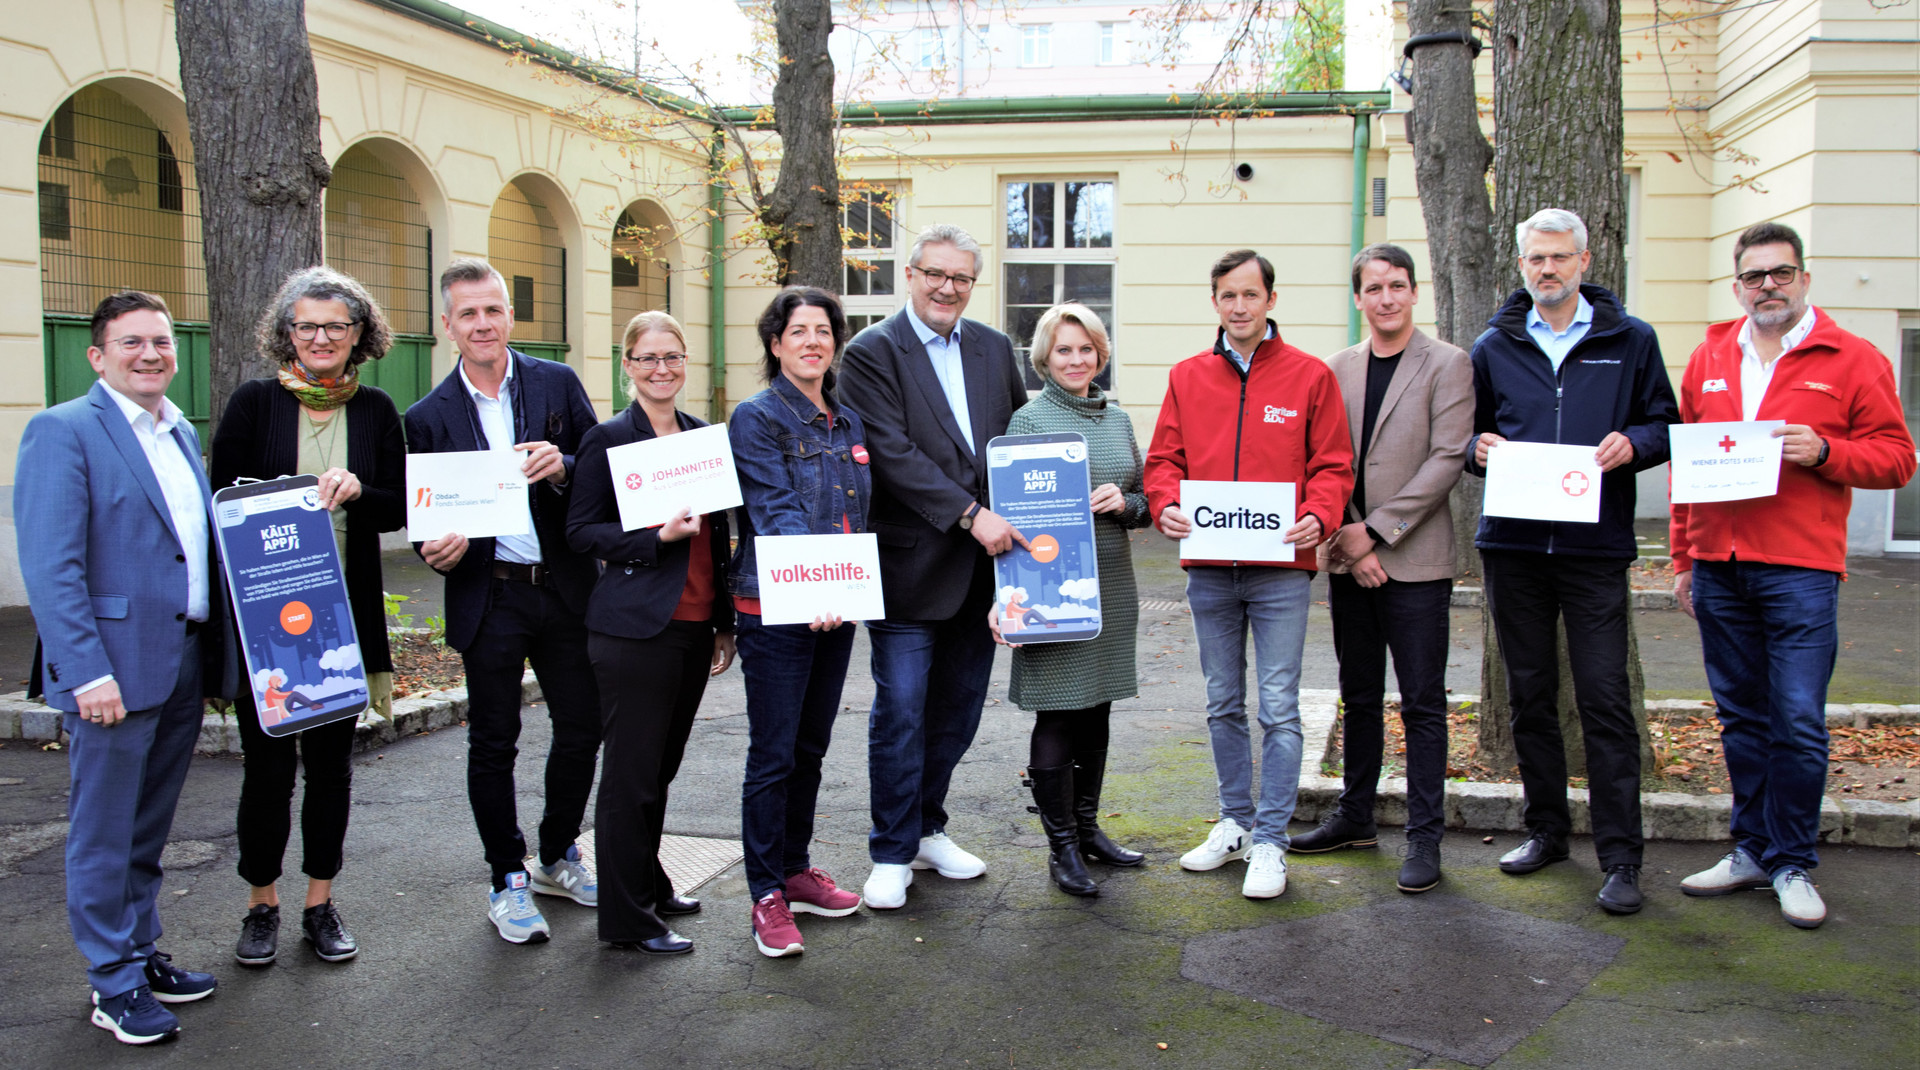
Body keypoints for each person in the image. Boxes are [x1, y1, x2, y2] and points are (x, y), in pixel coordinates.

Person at [1671, 222, 1915, 928]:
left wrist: (1828, 452)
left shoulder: (1853, 357)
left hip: (1800, 570)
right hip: (1720, 567)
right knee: (1741, 720)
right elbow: (1689, 465)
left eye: (1780, 273)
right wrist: (1684, 557)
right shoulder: (1711, 354)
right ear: (1737, 286)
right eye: (1754, 277)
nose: (1767, 287)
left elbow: (1898, 458)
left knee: (1799, 722)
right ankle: (1751, 850)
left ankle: (1792, 861)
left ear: (1804, 278)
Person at [16, 291, 233, 1044]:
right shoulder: (63, 430)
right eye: (131, 342)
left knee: (147, 828)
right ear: (97, 355)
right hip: (111, 670)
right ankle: (112, 982)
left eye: (161, 342)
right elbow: (52, 567)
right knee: (103, 833)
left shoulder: (178, 431)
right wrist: (85, 672)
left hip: (179, 659)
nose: (150, 354)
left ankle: (139, 953)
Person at [1467, 208, 1678, 915]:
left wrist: (1635, 444)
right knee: (1530, 696)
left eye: (1560, 257)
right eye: (1537, 258)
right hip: (1515, 549)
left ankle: (1621, 858)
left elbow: (1665, 424)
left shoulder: (1631, 339)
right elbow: (1467, 435)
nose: (1548, 269)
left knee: (1604, 700)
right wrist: (1476, 450)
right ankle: (1547, 832)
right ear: (1521, 265)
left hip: (1594, 550)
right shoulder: (1494, 345)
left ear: (1585, 261)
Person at [211, 266, 406, 967]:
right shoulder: (253, 403)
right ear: (286, 332)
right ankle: (260, 906)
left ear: (359, 334)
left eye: (336, 326)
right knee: (266, 771)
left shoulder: (376, 411)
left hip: (339, 624)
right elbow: (220, 498)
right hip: (265, 623)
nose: (321, 338)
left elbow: (399, 507)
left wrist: (359, 491)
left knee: (330, 771)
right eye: (307, 326)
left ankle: (319, 904)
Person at [1144, 250, 1354, 900]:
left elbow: (1333, 464)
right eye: (1228, 295)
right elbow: (1164, 460)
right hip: (1210, 570)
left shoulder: (1310, 376)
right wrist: (1166, 502)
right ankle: (1234, 822)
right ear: (1215, 302)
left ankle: (1271, 841)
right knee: (1222, 702)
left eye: (1250, 294)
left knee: (1279, 707)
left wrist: (1319, 514)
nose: (1239, 306)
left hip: (1280, 571)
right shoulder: (1187, 376)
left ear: (1270, 299)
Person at [404, 258, 602, 944]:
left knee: (583, 727)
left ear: (510, 316)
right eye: (468, 313)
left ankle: (555, 854)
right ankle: (506, 878)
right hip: (490, 596)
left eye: (493, 310)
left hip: (565, 590)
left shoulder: (555, 383)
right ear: (447, 325)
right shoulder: (426, 418)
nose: (482, 323)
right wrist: (434, 549)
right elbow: (425, 519)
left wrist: (565, 466)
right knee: (494, 742)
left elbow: (598, 470)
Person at [837, 223, 1032, 910]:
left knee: (956, 711)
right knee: (901, 713)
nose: (948, 288)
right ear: (911, 276)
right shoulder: (871, 352)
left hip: (983, 571)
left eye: (961, 278)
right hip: (908, 570)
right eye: (935, 274)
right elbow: (891, 453)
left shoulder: (993, 348)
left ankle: (926, 828)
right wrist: (970, 514)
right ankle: (890, 851)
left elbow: (1018, 439)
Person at [1294, 244, 1472, 894]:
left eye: (1397, 285)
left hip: (1416, 563)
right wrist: (1352, 542)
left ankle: (1425, 837)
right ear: (1358, 298)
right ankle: (1355, 816)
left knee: (1422, 703)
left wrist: (1373, 535)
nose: (1386, 298)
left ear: (1414, 292)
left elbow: (1446, 460)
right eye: (1374, 287)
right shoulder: (1335, 369)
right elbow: (1320, 458)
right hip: (1349, 559)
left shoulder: (1448, 364)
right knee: (1360, 695)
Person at [566, 310, 735, 955]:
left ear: (685, 361)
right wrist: (653, 539)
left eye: (672, 357)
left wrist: (723, 622)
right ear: (628, 366)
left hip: (693, 626)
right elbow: (580, 531)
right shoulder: (608, 438)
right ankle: (627, 919)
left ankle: (649, 883)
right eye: (647, 358)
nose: (661, 369)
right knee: (630, 777)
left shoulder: (700, 436)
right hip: (634, 631)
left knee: (659, 770)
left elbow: (717, 538)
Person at [987, 303, 1151, 897]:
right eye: (1064, 350)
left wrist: (1125, 503)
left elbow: (1146, 501)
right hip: (1050, 591)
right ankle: (1061, 849)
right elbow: (1006, 516)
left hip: (1112, 585)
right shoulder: (1029, 421)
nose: (1076, 360)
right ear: (1045, 358)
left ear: (1100, 354)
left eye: (1086, 349)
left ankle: (1086, 830)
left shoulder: (1118, 419)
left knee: (1097, 707)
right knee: (1058, 711)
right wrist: (1004, 596)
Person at [728, 287, 872, 957]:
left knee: (810, 747)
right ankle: (765, 894)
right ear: (776, 343)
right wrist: (815, 581)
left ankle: (794, 868)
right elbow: (774, 509)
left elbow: (859, 512)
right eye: (799, 331)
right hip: (779, 607)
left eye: (823, 330)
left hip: (836, 604)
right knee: (774, 753)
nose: (812, 341)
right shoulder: (757, 418)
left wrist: (841, 587)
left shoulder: (848, 421)